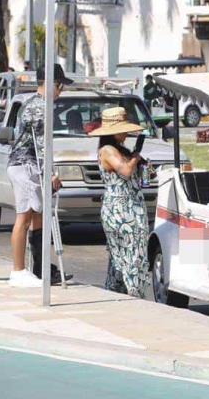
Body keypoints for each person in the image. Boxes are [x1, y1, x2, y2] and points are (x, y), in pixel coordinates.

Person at [6, 65, 72, 287]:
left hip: (29, 165)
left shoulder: (35, 103)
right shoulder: (40, 107)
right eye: (61, 87)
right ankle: (18, 271)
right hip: (25, 166)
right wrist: (51, 174)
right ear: (54, 84)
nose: (61, 92)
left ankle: (38, 268)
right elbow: (42, 145)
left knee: (36, 216)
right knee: (24, 217)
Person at [92, 107, 150, 298]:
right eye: (123, 129)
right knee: (132, 254)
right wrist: (134, 158)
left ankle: (118, 293)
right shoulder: (108, 150)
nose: (126, 133)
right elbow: (125, 171)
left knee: (123, 256)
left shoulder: (118, 149)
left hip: (128, 208)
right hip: (122, 211)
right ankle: (133, 294)